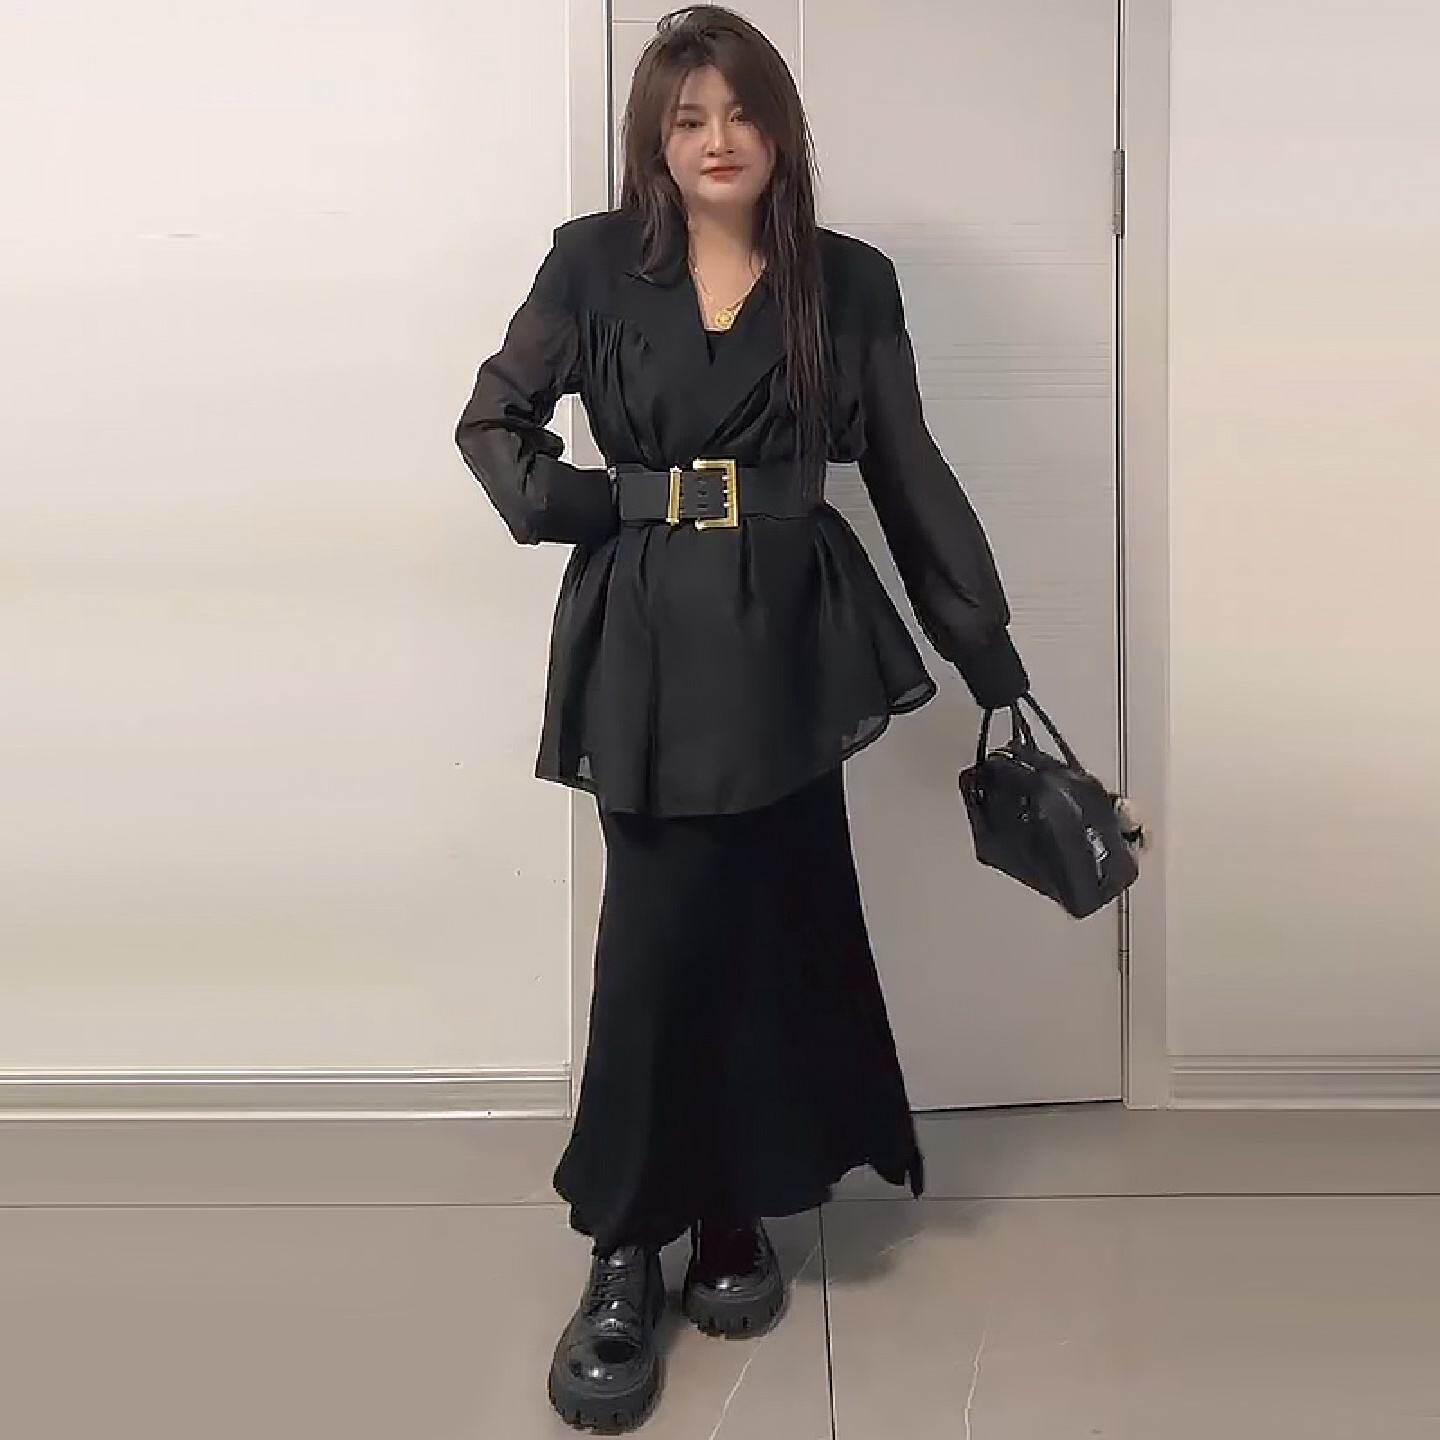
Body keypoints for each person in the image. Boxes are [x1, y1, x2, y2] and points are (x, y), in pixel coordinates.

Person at [453, 5, 1031, 1430]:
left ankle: (733, 1206)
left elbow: (905, 469)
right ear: (657, 140)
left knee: (774, 916)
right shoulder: (592, 261)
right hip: (648, 631)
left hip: (791, 641)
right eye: (688, 118)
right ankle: (623, 1240)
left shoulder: (850, 279)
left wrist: (990, 658)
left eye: (742, 112)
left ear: (781, 128)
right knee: (659, 935)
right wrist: (603, 503)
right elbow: (494, 424)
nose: (719, 140)